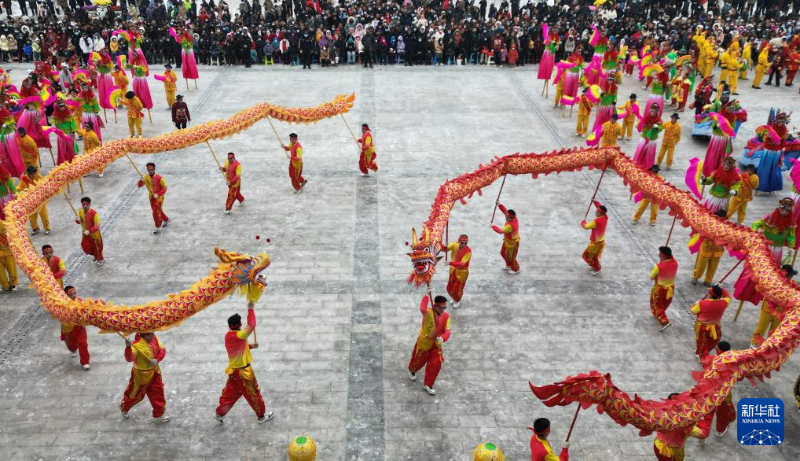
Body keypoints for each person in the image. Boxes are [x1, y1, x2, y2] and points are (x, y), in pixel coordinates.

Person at [215, 304, 274, 424]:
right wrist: (250, 308)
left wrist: (251, 346)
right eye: (240, 323)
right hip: (244, 373)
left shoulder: (228, 336)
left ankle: (219, 413)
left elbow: (239, 348)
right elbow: (252, 325)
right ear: (237, 325)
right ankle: (261, 416)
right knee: (253, 393)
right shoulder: (239, 335)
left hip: (234, 371)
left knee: (231, 393)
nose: (242, 325)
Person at [120, 332, 170, 423]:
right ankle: (124, 407)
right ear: (145, 335)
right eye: (151, 334)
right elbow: (129, 359)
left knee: (158, 393)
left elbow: (162, 350)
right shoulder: (136, 345)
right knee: (134, 394)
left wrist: (157, 359)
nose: (153, 335)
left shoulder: (154, 338)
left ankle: (158, 415)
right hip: (141, 376)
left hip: (155, 373)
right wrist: (128, 347)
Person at [407, 293, 451, 395]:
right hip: (425, 343)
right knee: (418, 361)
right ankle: (412, 370)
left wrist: (443, 338)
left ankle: (428, 384)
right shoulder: (428, 313)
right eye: (441, 307)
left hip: (436, 344)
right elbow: (422, 308)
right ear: (436, 305)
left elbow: (447, 330)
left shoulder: (446, 316)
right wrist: (426, 296)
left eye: (444, 307)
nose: (443, 310)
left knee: (436, 364)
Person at [693, 341, 737, 438]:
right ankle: (720, 430)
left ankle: (701, 430)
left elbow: (703, 360)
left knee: (706, 414)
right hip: (723, 394)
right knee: (724, 414)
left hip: (708, 392)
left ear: (718, 349)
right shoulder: (733, 362)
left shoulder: (712, 359)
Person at [751, 264, 798, 348]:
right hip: (767, 310)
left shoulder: (791, 284)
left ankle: (769, 346)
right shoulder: (773, 281)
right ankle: (754, 344)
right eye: (790, 275)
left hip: (780, 312)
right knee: (761, 328)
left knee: (775, 330)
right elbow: (757, 288)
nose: (791, 277)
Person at [690, 285, 731, 361]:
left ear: (711, 294)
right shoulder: (724, 303)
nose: (707, 293)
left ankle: (700, 353)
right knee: (712, 340)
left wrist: (696, 304)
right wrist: (721, 289)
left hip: (702, 327)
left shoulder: (701, 304)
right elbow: (727, 296)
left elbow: (693, 311)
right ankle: (706, 350)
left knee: (701, 341)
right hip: (715, 326)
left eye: (709, 292)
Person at [653, 393, 694, 460]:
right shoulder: (685, 422)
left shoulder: (661, 414)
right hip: (670, 454)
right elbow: (702, 434)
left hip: (658, 445)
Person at [61, 285, 90, 370]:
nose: (74, 296)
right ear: (66, 295)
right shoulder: (63, 305)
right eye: (71, 294)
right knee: (71, 346)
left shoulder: (80, 301)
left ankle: (85, 362)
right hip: (69, 329)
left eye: (74, 293)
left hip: (80, 328)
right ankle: (73, 349)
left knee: (83, 344)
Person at [649, 246, 677, 331]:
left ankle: (664, 320)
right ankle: (660, 315)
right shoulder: (675, 263)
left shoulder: (659, 267)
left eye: (660, 254)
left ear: (663, 256)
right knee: (664, 304)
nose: (659, 255)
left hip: (660, 289)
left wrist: (660, 265)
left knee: (657, 305)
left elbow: (651, 277)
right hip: (670, 289)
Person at [137, 163, 170, 233]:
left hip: (159, 198)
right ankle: (166, 219)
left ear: (154, 169)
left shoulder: (159, 178)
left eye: (151, 169)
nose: (150, 171)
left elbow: (165, 187)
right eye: (149, 170)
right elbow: (139, 185)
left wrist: (158, 194)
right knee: (158, 210)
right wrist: (141, 180)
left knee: (155, 212)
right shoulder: (145, 177)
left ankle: (158, 226)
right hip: (151, 197)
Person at [17, 166, 49, 235]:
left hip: (40, 199)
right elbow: (20, 187)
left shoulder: (39, 177)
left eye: (35, 173)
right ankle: (35, 228)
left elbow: (45, 184)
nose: (35, 174)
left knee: (44, 214)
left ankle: (47, 228)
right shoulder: (24, 179)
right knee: (32, 216)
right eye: (33, 173)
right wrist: (16, 190)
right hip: (30, 200)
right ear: (29, 173)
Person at [491, 203, 520, 274]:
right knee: (503, 253)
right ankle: (508, 265)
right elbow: (504, 210)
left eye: (507, 217)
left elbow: (500, 231)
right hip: (507, 241)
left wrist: (493, 226)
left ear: (511, 218)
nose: (505, 217)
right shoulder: (514, 217)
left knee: (511, 257)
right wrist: (499, 204)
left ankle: (516, 269)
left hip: (512, 243)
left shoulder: (510, 226)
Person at [632, 104, 663, 168]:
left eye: (654, 112)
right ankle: (637, 161)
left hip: (652, 137)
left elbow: (661, 128)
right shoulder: (646, 117)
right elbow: (640, 123)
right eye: (651, 111)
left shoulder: (658, 119)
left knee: (650, 152)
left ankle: (648, 165)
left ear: (656, 112)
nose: (652, 113)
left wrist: (657, 127)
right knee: (641, 149)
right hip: (644, 136)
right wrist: (640, 126)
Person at [581, 200, 608, 275]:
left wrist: (583, 222)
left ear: (600, 212)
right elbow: (599, 206)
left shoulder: (596, 221)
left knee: (586, 256)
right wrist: (595, 202)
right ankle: (595, 266)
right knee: (594, 256)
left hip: (595, 243)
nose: (596, 212)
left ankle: (596, 268)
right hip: (601, 241)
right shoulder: (605, 217)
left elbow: (586, 226)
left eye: (597, 211)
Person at [75, 197, 104, 266]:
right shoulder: (80, 211)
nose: (85, 206)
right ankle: (95, 255)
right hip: (85, 233)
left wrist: (90, 231)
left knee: (97, 247)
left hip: (94, 234)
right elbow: (80, 221)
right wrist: (77, 220)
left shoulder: (94, 213)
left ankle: (100, 259)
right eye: (83, 204)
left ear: (90, 204)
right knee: (86, 246)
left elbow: (97, 225)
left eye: (87, 204)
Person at [445, 234, 471, 308]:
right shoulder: (454, 245)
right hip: (453, 270)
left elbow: (462, 264)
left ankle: (457, 300)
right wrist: (444, 247)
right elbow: (445, 249)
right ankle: (454, 298)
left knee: (457, 289)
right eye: (462, 243)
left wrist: (450, 263)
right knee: (449, 287)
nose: (464, 245)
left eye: (465, 243)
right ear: (459, 241)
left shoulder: (468, 251)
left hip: (462, 273)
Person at [0, 221, 18, 293]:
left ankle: (13, 284)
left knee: (11, 269)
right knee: (0, 273)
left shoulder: (6, 220)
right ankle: (5, 285)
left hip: (8, 252)